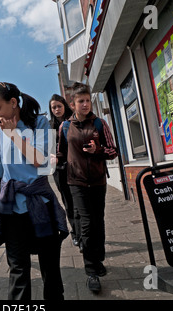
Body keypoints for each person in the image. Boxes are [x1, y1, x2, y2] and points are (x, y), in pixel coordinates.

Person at [0, 82, 69, 300]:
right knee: (17, 269)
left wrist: (13, 134)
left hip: (40, 204)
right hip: (13, 209)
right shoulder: (1, 131)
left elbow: (41, 162)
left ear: (13, 102)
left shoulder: (40, 122)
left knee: (50, 269)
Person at [58, 82, 117, 294]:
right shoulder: (64, 127)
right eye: (80, 101)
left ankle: (97, 259)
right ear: (72, 104)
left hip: (98, 181)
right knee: (87, 222)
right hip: (77, 182)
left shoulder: (100, 124)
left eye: (87, 100)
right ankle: (91, 270)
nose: (85, 104)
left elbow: (113, 151)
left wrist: (97, 150)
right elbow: (61, 153)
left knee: (98, 221)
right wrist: (52, 160)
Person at [49, 94, 82, 250]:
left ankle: (84, 233)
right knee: (68, 202)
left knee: (79, 201)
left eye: (58, 106)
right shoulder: (49, 126)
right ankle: (76, 233)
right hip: (60, 170)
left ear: (64, 106)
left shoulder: (74, 121)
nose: (56, 109)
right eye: (53, 107)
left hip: (76, 168)